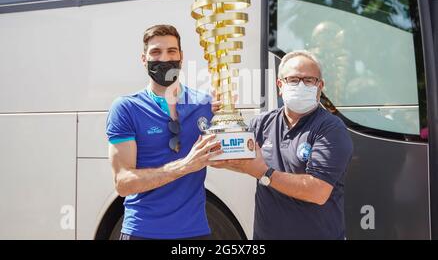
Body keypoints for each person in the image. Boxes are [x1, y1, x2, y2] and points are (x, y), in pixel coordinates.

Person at [214, 50, 353, 240]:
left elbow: (318, 191)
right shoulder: (262, 124)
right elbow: (239, 159)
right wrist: (214, 146)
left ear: (320, 87)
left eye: (309, 80)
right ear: (280, 85)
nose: (301, 85)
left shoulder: (330, 128)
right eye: (293, 80)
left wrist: (264, 173)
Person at [106, 24, 223, 240]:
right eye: (155, 52)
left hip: (195, 233)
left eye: (171, 51)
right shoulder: (126, 108)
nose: (164, 58)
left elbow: (226, 156)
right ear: (144, 59)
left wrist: (229, 116)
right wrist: (185, 166)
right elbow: (123, 183)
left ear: (181, 57)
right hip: (142, 232)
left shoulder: (205, 104)